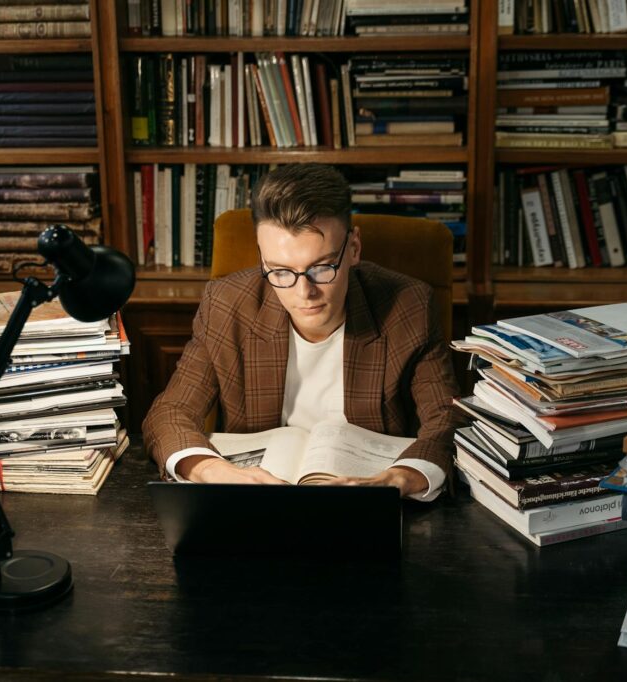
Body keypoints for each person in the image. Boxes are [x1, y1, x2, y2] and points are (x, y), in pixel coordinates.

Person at [142, 164, 462, 499]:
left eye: (321, 267)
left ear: (353, 249)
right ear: (262, 258)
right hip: (256, 509)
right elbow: (170, 412)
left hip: (367, 511)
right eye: (280, 271)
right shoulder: (226, 305)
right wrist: (213, 471)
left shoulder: (409, 306)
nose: (303, 291)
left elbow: (447, 420)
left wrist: (396, 480)